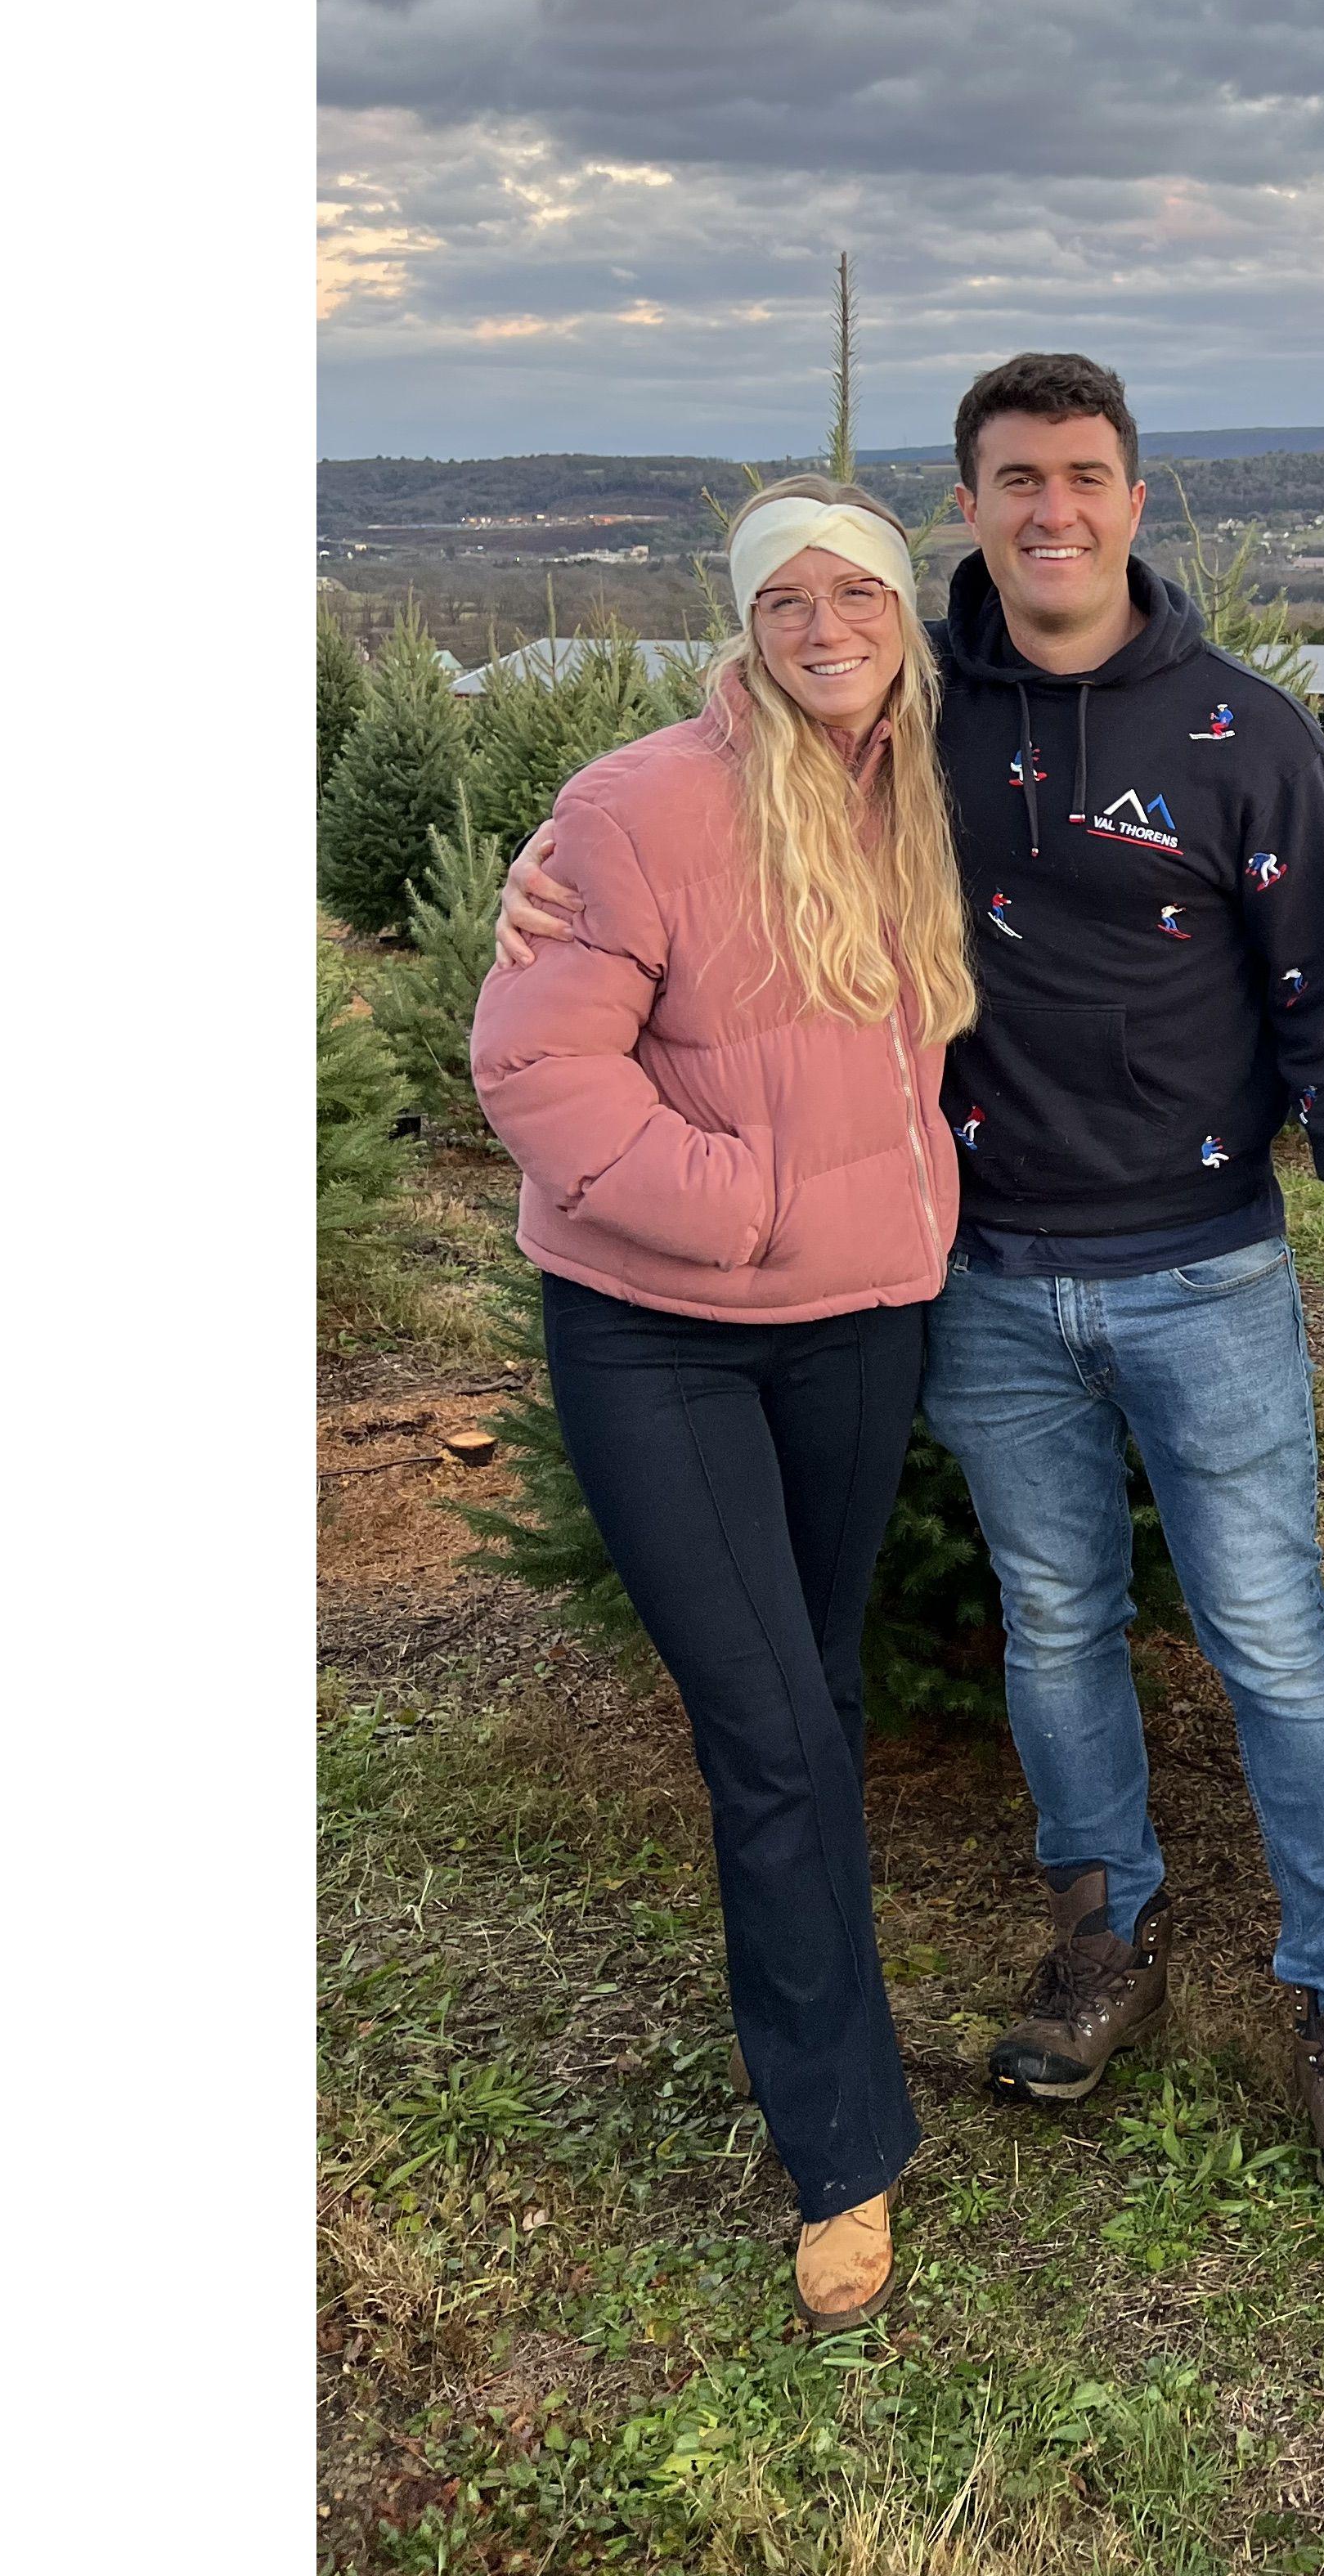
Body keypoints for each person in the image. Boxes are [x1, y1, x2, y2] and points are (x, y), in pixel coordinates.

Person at [503, 355, 1324, 2201]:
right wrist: (533, 881)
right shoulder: (910, 728)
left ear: (1135, 499)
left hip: (1207, 1270)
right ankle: (1102, 1916)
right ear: (972, 504)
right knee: (1055, 1623)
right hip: (985, 1276)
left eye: (1085, 476)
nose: (1053, 511)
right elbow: (705, 810)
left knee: (1271, 1634)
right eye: (1015, 479)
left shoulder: (1249, 735)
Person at [471, 475, 972, 2329]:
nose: (825, 627)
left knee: (815, 1689)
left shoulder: (928, 784)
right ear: (746, 627)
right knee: (769, 1727)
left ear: (904, 616)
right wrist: (738, 1209)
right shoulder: (634, 808)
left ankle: (818, 2004)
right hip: (662, 1333)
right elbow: (530, 1062)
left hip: (862, 1324)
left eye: (859, 595)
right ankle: (843, 2146)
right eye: (788, 603)